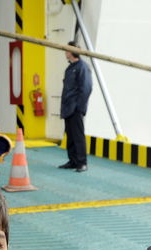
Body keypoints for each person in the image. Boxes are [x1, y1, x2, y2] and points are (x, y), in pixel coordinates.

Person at [59, 40, 92, 172]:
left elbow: (86, 88)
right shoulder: (70, 68)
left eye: (67, 50)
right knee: (70, 136)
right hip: (67, 108)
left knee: (78, 136)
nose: (65, 52)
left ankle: (82, 163)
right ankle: (73, 161)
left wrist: (79, 107)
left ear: (72, 52)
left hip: (75, 108)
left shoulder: (82, 67)